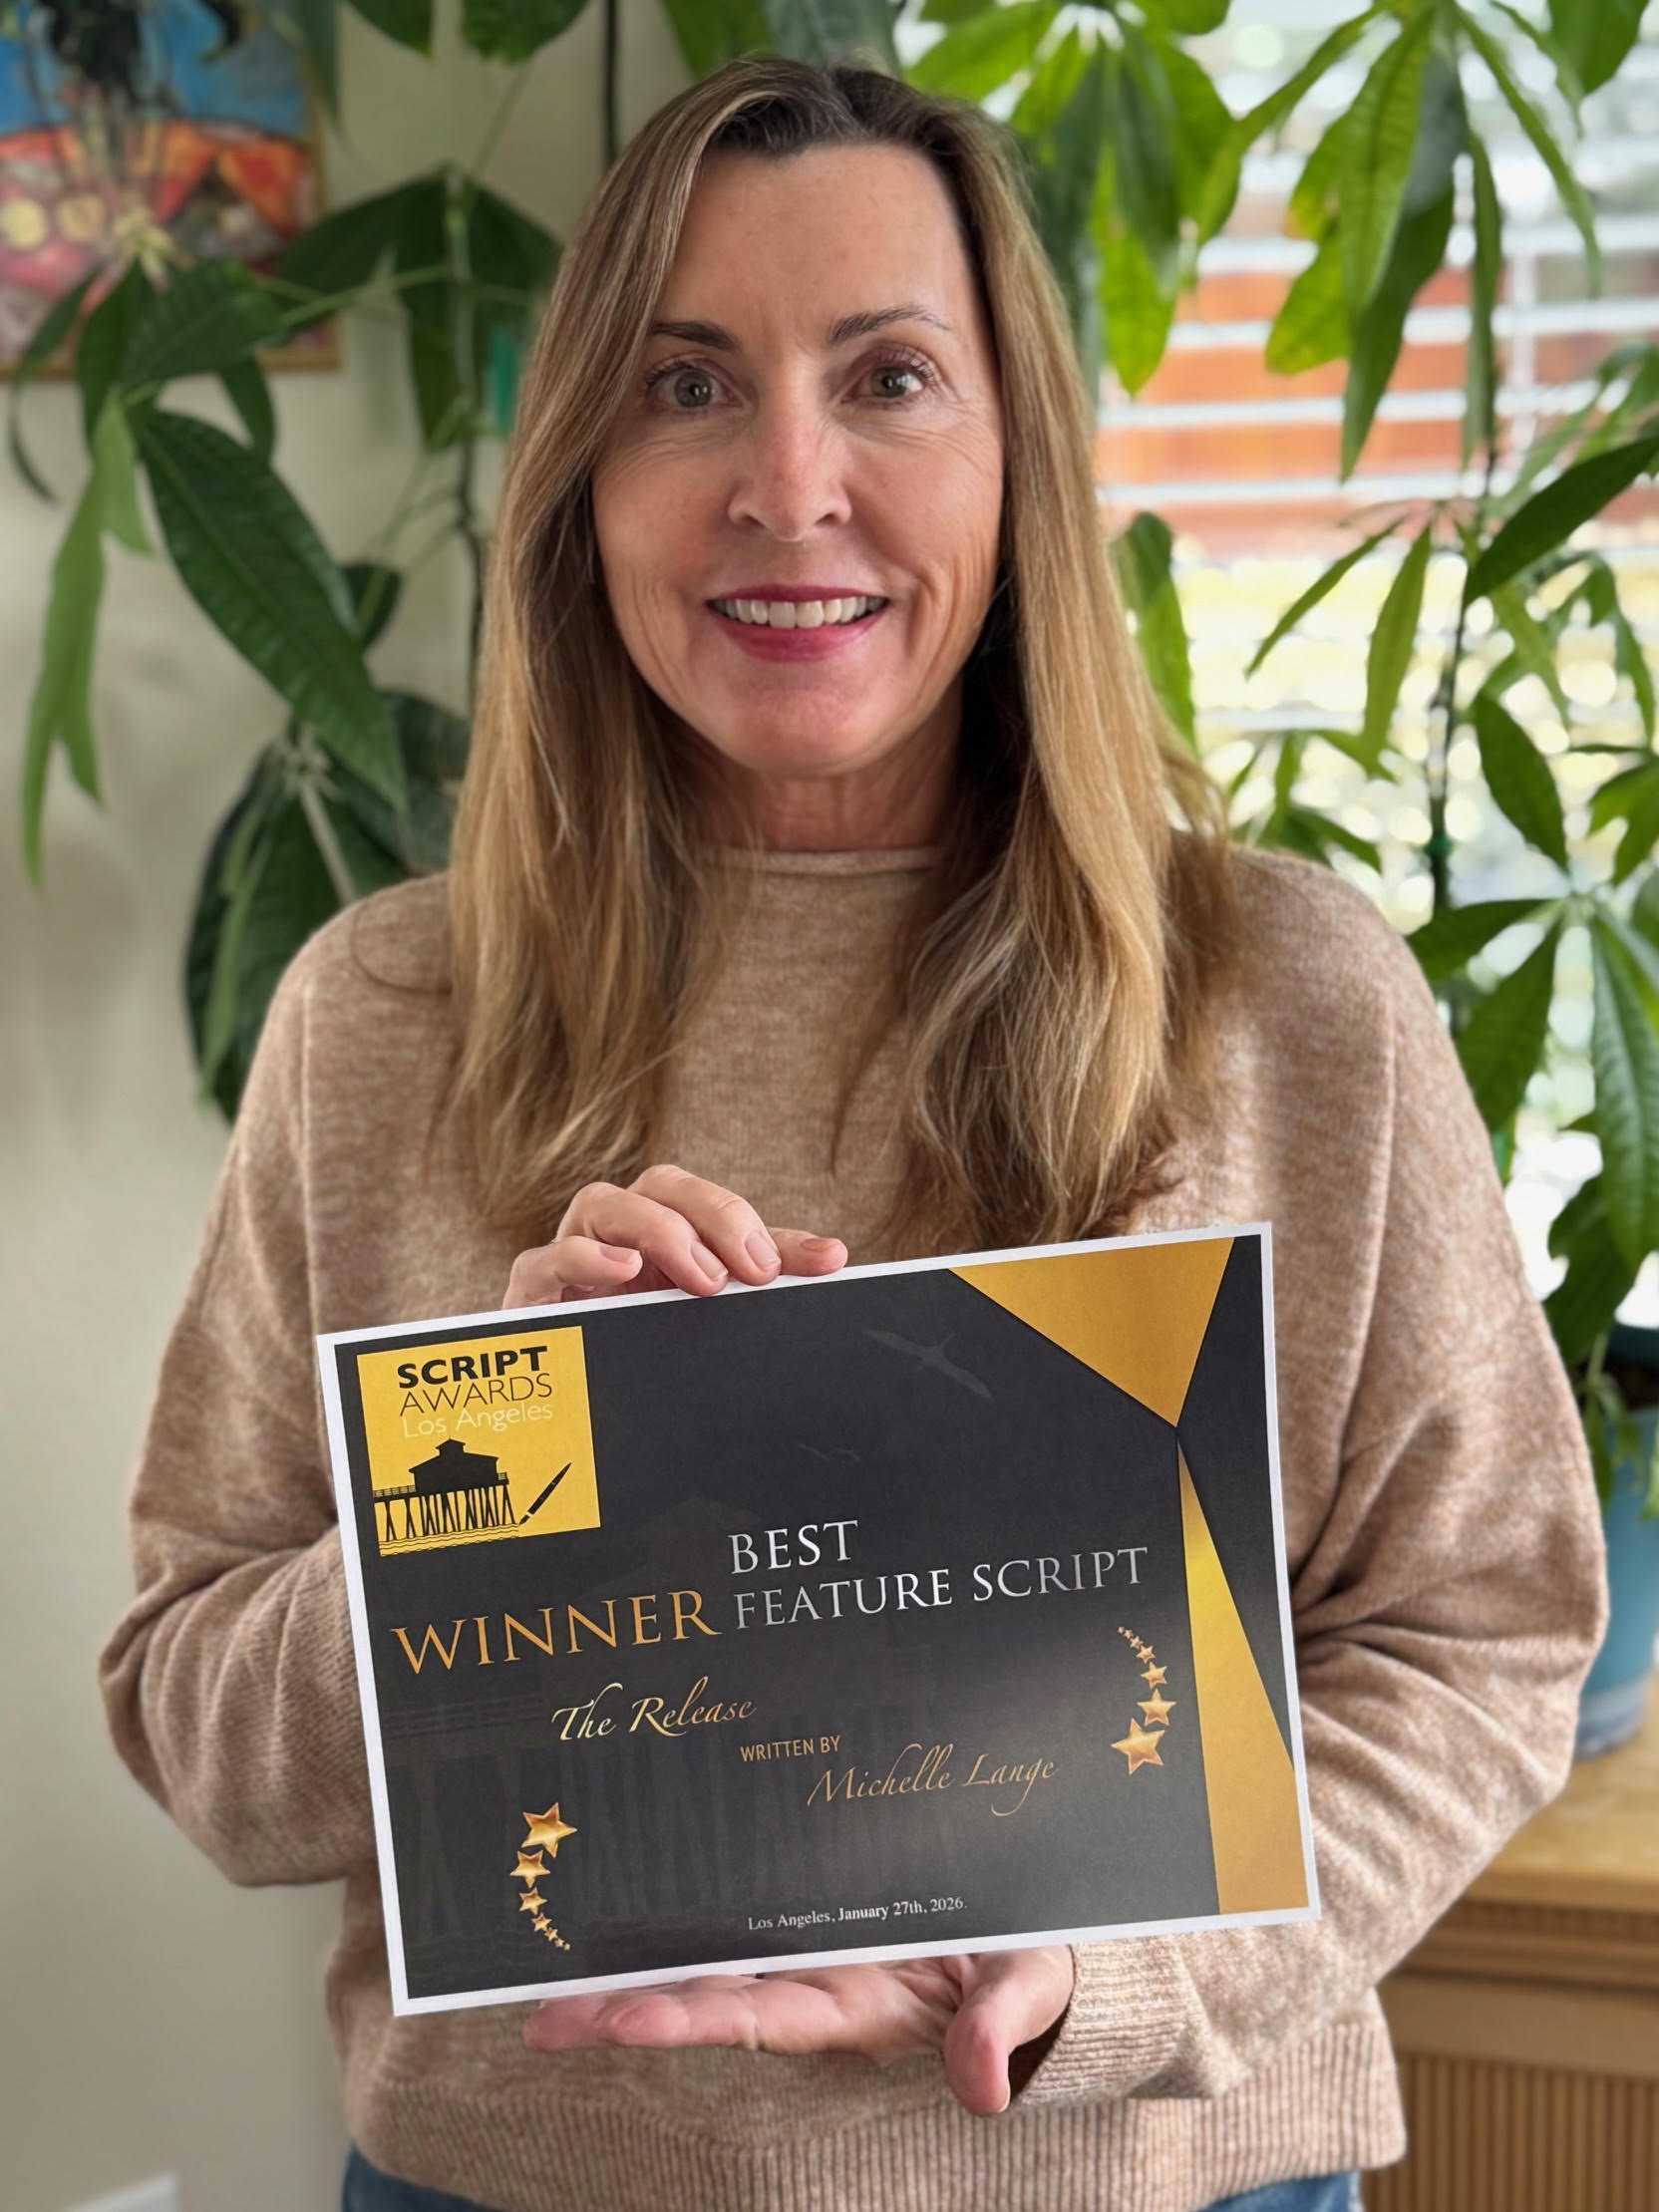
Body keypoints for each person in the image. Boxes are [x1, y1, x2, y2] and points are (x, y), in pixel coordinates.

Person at [99, 57, 1605, 2212]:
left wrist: (1108, 1978)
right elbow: (195, 1730)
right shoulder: (376, 1016)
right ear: (580, 476)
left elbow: (1480, 1641)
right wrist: (494, 1511)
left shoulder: (1293, 996)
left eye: (889, 378)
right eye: (685, 385)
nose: (787, 486)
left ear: (1015, 458)